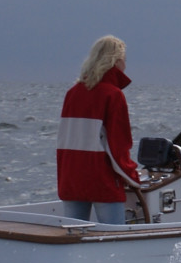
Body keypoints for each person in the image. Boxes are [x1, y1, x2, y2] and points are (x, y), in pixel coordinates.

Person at [58, 35, 139, 224]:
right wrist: (133, 177)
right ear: (116, 61)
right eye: (124, 60)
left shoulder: (72, 93)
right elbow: (117, 146)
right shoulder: (113, 95)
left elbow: (64, 141)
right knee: (114, 237)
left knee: (73, 235)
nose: (125, 66)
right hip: (102, 180)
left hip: (71, 177)